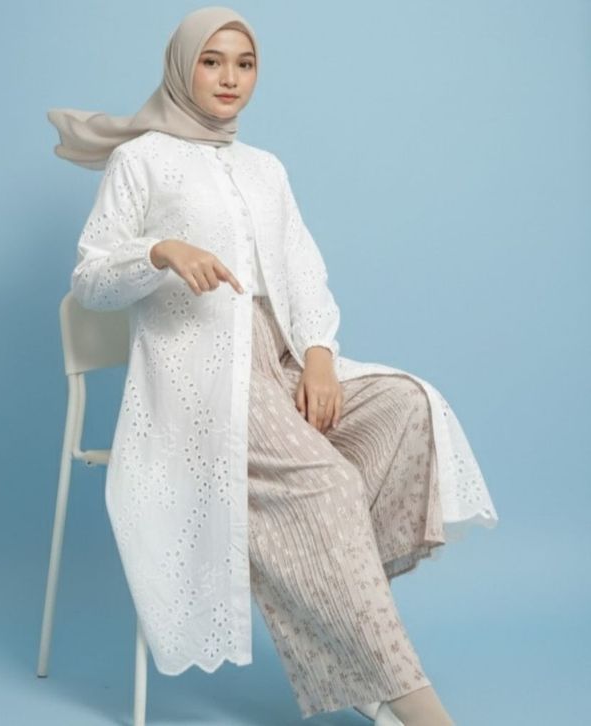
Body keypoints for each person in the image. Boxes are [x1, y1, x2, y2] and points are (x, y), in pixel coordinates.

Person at [47, 6, 499, 725]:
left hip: (281, 361)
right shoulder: (142, 160)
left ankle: (343, 620)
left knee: (408, 405)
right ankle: (407, 698)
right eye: (212, 61)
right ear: (182, 68)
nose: (230, 78)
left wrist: (319, 357)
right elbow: (91, 280)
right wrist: (160, 252)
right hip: (201, 377)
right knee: (328, 482)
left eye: (245, 63)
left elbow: (304, 273)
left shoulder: (264, 168)